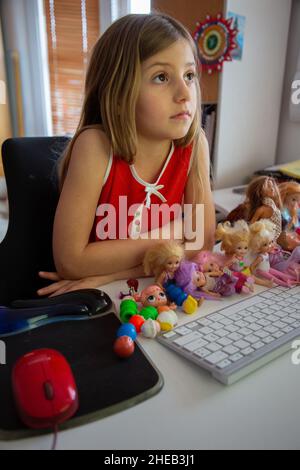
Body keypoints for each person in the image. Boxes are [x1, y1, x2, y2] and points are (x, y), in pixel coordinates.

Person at [37, 13, 215, 297]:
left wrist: (111, 272)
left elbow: (202, 242)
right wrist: (176, 231)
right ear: (119, 93)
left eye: (189, 75)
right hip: (106, 299)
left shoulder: (194, 145)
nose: (185, 93)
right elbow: (71, 261)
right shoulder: (95, 147)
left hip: (149, 288)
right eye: (161, 77)